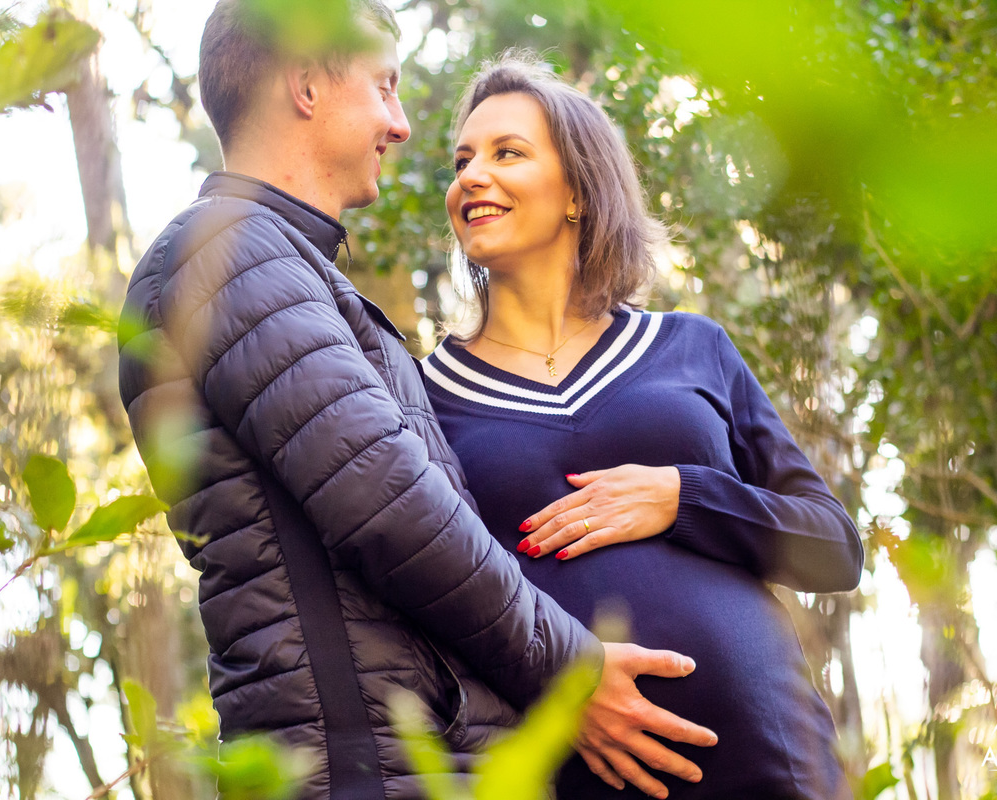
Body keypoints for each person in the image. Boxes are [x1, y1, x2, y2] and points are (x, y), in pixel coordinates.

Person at [117, 2, 719, 798]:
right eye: (384, 87)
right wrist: (572, 670)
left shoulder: (282, 266)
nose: (400, 124)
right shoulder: (230, 253)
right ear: (305, 84)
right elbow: (389, 503)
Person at [422, 54, 865, 799]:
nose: (470, 176)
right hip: (572, 774)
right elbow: (428, 593)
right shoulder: (425, 393)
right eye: (463, 159)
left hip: (772, 757)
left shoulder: (693, 347)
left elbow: (833, 548)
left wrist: (681, 497)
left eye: (508, 153)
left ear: (577, 193)